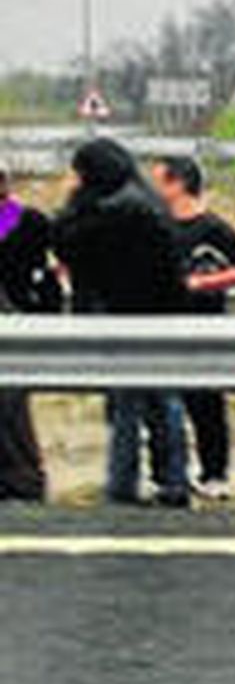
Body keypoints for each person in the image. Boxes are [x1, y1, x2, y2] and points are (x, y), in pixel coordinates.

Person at [52, 138, 189, 508]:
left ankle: (123, 485)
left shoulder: (101, 210)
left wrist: (71, 202)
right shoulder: (148, 203)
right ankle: (171, 480)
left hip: (118, 315)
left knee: (128, 403)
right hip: (155, 317)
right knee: (161, 401)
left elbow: (61, 239)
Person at [151, 156, 235, 500]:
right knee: (164, 404)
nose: (153, 188)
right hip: (165, 322)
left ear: (178, 184)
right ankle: (168, 475)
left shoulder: (214, 228)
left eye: (159, 181)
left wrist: (203, 283)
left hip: (204, 324)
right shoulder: (158, 225)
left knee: (205, 402)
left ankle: (214, 473)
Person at [0, 167, 61, 501]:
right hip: (21, 316)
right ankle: (21, 477)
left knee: (11, 409)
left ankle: (22, 479)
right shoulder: (29, 219)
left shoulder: (22, 220)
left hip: (14, 318)